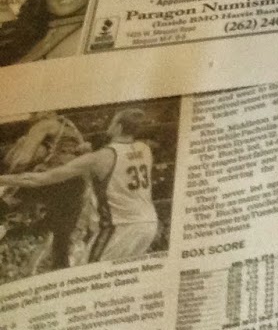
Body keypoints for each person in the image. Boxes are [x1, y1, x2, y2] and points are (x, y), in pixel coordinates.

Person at [0, 109, 160, 263]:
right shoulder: (144, 149)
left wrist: (4, 179)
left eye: (112, 122)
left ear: (118, 127)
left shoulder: (98, 158)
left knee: (93, 272)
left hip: (120, 227)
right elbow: (119, 160)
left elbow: (39, 179)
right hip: (149, 224)